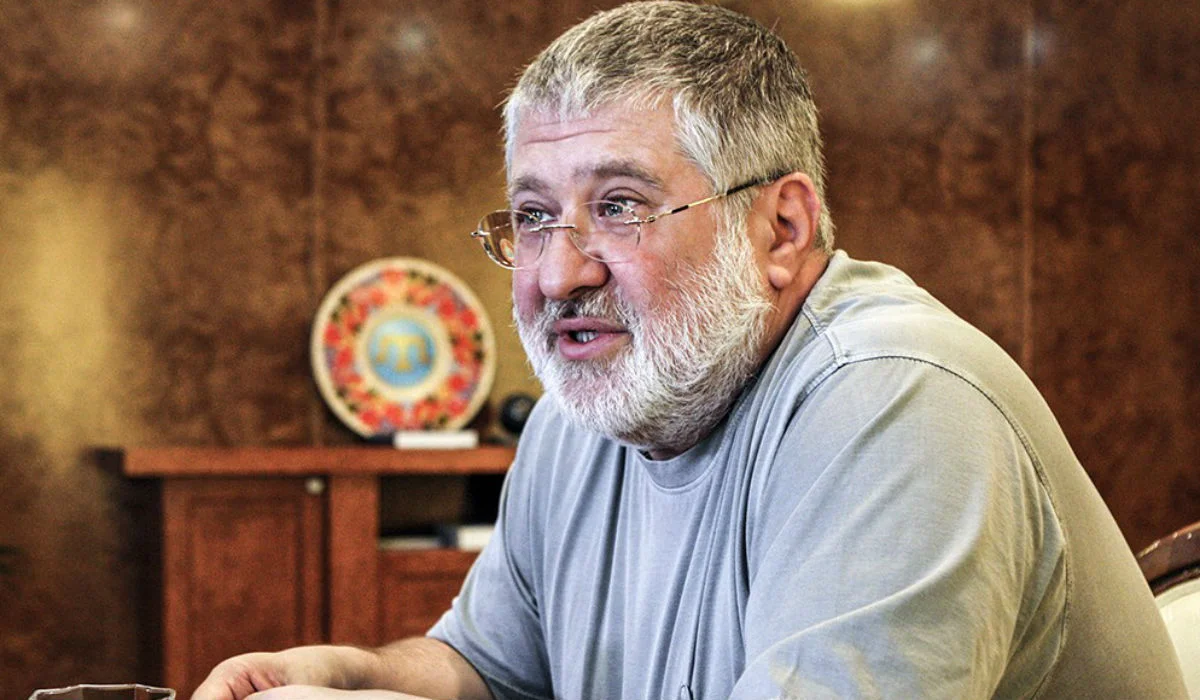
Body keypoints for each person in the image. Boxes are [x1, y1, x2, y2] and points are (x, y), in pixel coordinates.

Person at [193, 2, 1188, 698]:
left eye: (620, 206)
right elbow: (491, 671)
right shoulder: (587, 412)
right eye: (533, 216)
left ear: (781, 230)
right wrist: (351, 675)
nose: (557, 273)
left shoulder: (893, 400)